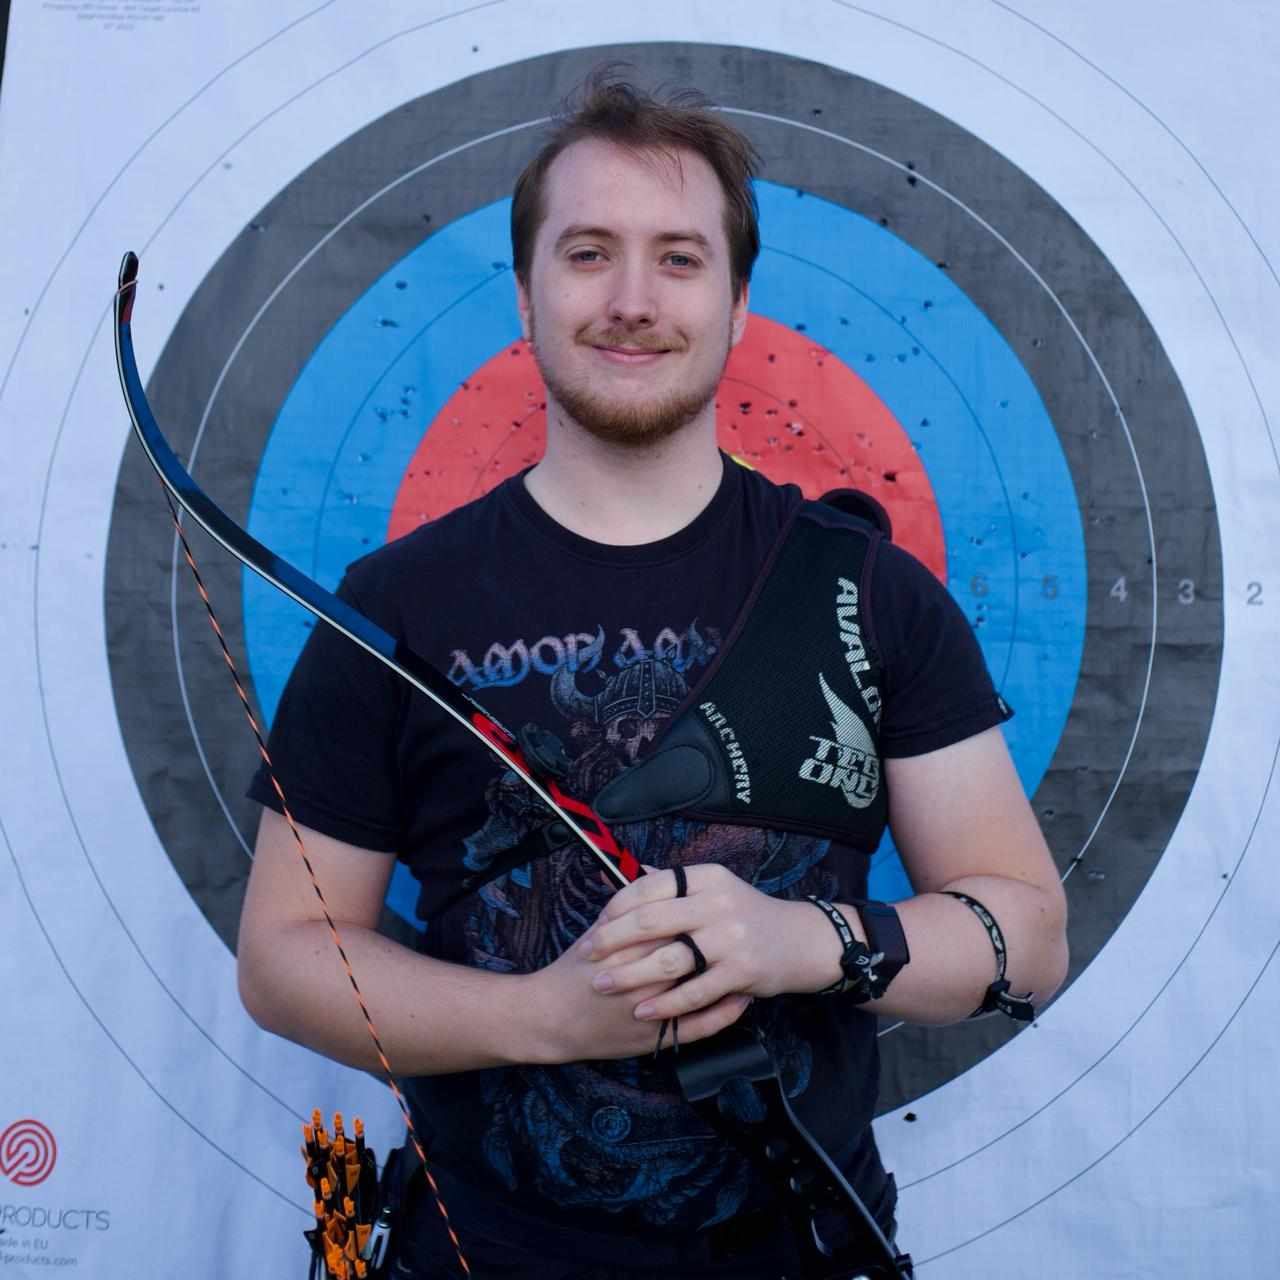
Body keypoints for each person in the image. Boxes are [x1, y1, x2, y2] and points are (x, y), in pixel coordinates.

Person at [239, 72, 1069, 1280]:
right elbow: (284, 954)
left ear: (737, 303)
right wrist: (539, 1017)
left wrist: (800, 940)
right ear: (524, 293)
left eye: (678, 260)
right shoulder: (393, 605)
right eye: (587, 253)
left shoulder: (868, 592)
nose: (631, 301)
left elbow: (1027, 931)